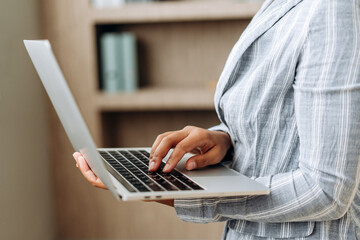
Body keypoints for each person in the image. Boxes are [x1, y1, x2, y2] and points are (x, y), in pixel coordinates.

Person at [73, 0, 360, 238]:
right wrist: (225, 139)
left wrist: (177, 195)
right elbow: (287, 118)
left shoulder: (335, 9)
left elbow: (326, 190)